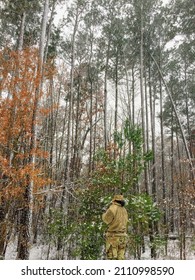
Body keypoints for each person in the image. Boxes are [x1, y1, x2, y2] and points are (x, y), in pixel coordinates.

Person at [102, 194, 128, 260]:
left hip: (113, 237)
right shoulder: (124, 210)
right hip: (123, 236)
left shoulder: (113, 208)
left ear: (114, 200)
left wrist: (104, 213)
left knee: (112, 258)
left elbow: (106, 220)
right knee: (121, 258)